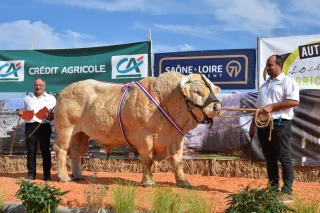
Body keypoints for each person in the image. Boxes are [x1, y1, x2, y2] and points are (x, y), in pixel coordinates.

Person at [249, 55, 299, 202]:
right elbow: (258, 109)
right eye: (266, 65)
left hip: (280, 124)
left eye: (270, 65)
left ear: (279, 65)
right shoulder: (264, 86)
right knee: (270, 159)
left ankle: (287, 190)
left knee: (284, 157)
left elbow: (294, 101)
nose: (267, 68)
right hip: (263, 126)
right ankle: (273, 188)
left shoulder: (288, 82)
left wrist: (272, 107)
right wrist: (253, 126)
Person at [18, 78, 56, 181]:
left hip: (44, 126)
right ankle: (31, 174)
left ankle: (47, 175)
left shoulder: (51, 98)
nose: (38, 87)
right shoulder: (27, 98)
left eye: (40, 85)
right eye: (36, 85)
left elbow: (53, 116)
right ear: (34, 86)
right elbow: (25, 112)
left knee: (45, 151)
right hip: (30, 126)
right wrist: (21, 113)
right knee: (31, 151)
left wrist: (49, 116)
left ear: (44, 86)